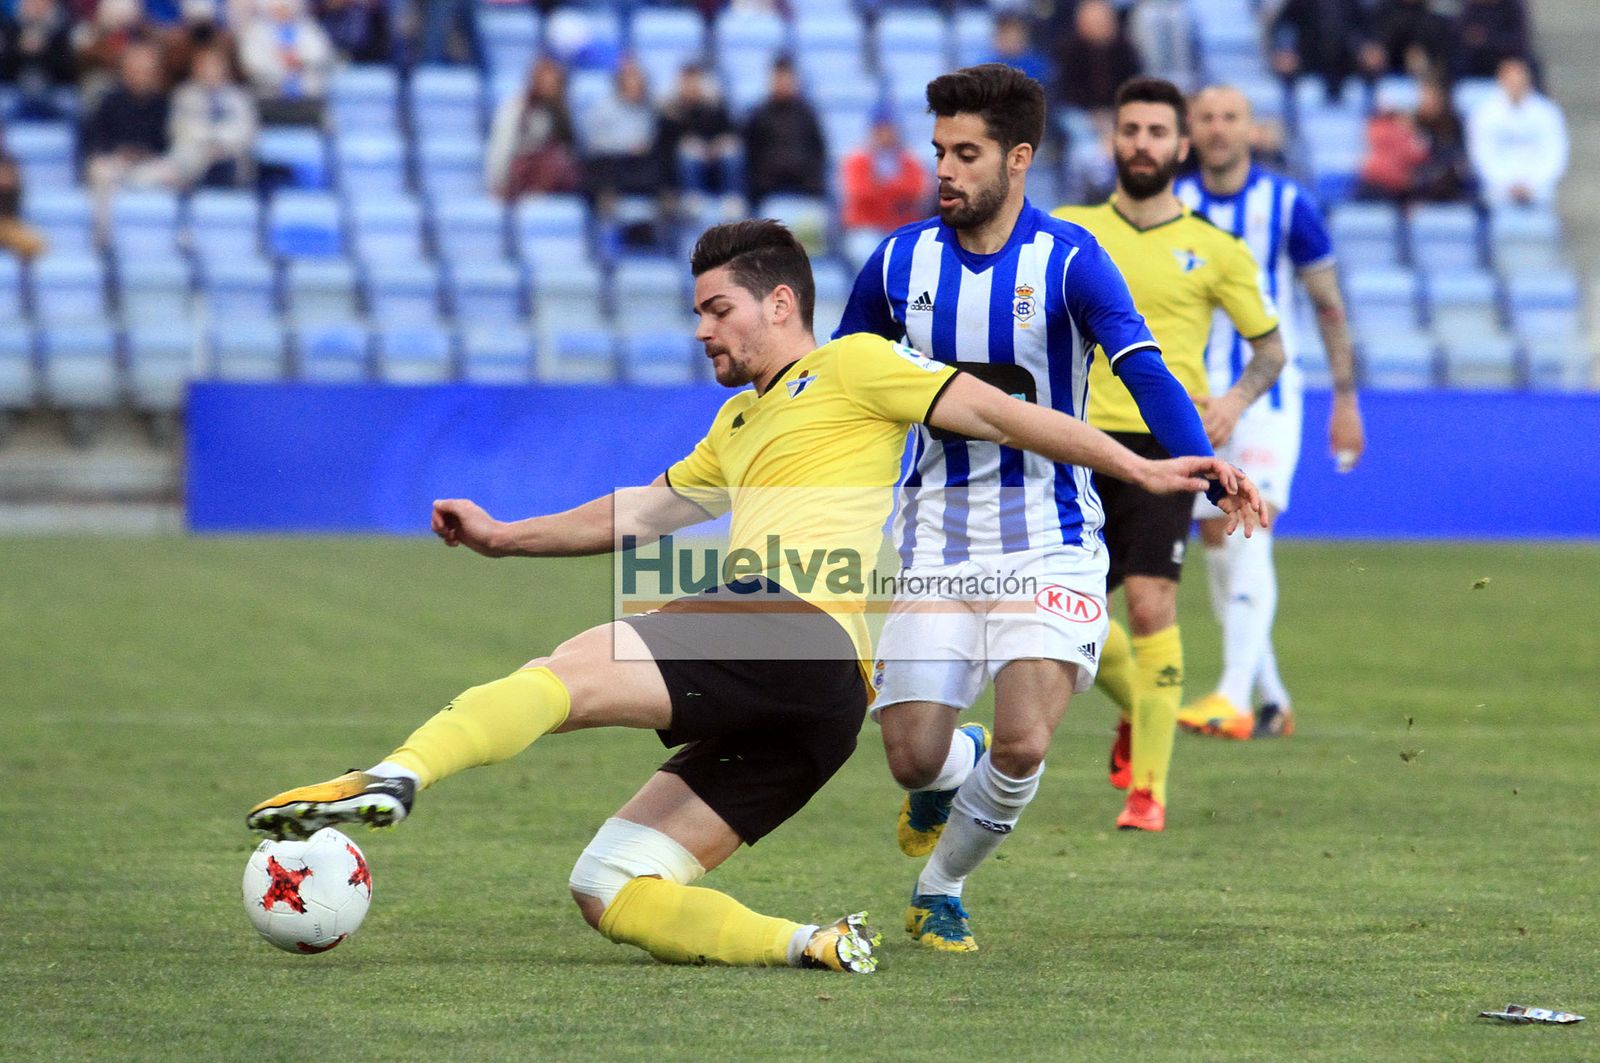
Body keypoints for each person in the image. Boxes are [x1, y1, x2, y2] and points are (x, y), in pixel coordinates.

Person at [247, 218, 1262, 974]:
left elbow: (1008, 414)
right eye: (697, 311)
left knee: (565, 669)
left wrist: (1151, 468)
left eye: (717, 307)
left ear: (781, 303)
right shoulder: (737, 426)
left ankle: (395, 773)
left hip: (792, 619)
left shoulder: (858, 366)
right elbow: (642, 512)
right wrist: (506, 536)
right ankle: (811, 942)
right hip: (823, 709)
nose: (703, 328)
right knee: (608, 885)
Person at [835, 64, 1265, 953]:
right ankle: (950, 770)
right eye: (939, 151)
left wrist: (1201, 460)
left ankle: (940, 884)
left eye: (966, 154)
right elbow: (840, 381)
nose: (944, 170)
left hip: (1052, 536)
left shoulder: (1069, 259)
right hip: (933, 537)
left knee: (1026, 743)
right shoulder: (896, 261)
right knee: (915, 756)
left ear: (1018, 159)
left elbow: (1143, 364)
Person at [1054, 77, 1287, 832]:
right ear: (1114, 140)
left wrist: (1232, 403)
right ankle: (1142, 704)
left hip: (1165, 444)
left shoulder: (1216, 250)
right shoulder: (1067, 233)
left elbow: (1271, 349)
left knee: (1152, 603)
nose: (1143, 144)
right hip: (1075, 439)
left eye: (1158, 132)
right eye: (1131, 130)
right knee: (1069, 614)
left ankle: (1147, 790)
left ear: (1180, 147)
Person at [1173, 84, 1366, 740]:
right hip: (1195, 400)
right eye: (1207, 118)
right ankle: (1272, 698)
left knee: (1246, 527)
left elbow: (1328, 305)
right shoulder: (1173, 207)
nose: (1219, 129)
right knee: (1220, 548)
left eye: (1231, 117)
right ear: (1190, 130)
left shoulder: (1289, 205)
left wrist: (1345, 398)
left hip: (1268, 395)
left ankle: (1230, 693)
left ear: (1250, 129)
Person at [1466, 55, 1567, 209]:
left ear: (1528, 80)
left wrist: (1533, 184)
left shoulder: (1547, 112)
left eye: (1520, 79)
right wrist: (1506, 183)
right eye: (1511, 79)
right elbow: (1480, 154)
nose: (1516, 84)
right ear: (1501, 80)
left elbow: (1556, 153)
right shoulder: (1484, 114)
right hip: (1497, 188)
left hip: (1537, 188)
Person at [1357, 77, 1469, 204]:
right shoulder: (1401, 126)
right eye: (1426, 96)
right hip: (1395, 188)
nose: (1430, 101)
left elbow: (1454, 161)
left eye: (1434, 97)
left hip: (1434, 188)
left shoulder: (1454, 125)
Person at [485, 55, 581, 200]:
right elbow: (501, 147)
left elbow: (571, 148)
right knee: (552, 160)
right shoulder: (517, 109)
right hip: (523, 174)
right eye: (545, 81)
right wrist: (497, 183)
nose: (550, 86)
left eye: (555, 82)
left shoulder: (562, 112)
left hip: (557, 179)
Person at [164, 44, 257, 189]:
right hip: (193, 155)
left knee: (230, 161)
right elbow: (181, 128)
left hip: (230, 154)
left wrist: (218, 144)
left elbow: (245, 132)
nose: (209, 71)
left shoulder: (239, 97)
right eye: (204, 66)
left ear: (225, 69)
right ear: (195, 69)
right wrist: (209, 142)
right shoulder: (184, 95)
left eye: (214, 66)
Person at [740, 55, 826, 209]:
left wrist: (813, 185)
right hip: (767, 191)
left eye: (786, 78)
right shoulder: (757, 115)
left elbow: (819, 152)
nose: (782, 83)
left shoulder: (808, 114)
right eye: (778, 78)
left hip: (805, 190)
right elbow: (749, 155)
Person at [236, 0, 338, 125]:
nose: (282, 9)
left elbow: (322, 54)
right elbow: (253, 65)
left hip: (308, 99)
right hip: (269, 98)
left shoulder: (308, 28)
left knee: (328, 118)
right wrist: (284, 67)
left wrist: (298, 59)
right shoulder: (256, 32)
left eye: (286, 6)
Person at [838, 107, 928, 236]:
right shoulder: (857, 160)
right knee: (865, 248)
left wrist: (879, 185)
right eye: (880, 131)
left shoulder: (909, 160)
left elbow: (917, 191)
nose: (885, 135)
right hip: (865, 226)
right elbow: (860, 194)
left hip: (903, 227)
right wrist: (896, 190)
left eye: (889, 130)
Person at [1054, 0, 1141, 119]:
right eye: (1092, 22)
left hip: (1116, 110)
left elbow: (1132, 86)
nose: (1098, 27)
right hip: (1081, 111)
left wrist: (1111, 111)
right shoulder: (1068, 51)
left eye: (1102, 22)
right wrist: (1094, 113)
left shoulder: (1125, 50)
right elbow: (1067, 90)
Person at [0, 0, 76, 120]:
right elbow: (5, 71)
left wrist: (46, 50)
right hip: (15, 87)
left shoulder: (61, 30)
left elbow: (67, 73)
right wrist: (19, 49)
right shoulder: (10, 28)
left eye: (41, 3)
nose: (36, 7)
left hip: (53, 88)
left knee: (69, 102)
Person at [1454, 0, 1530, 80]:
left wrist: (1486, 40)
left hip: (1505, 71)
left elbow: (1517, 41)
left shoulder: (1512, 7)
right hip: (1472, 73)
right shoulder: (1469, 9)